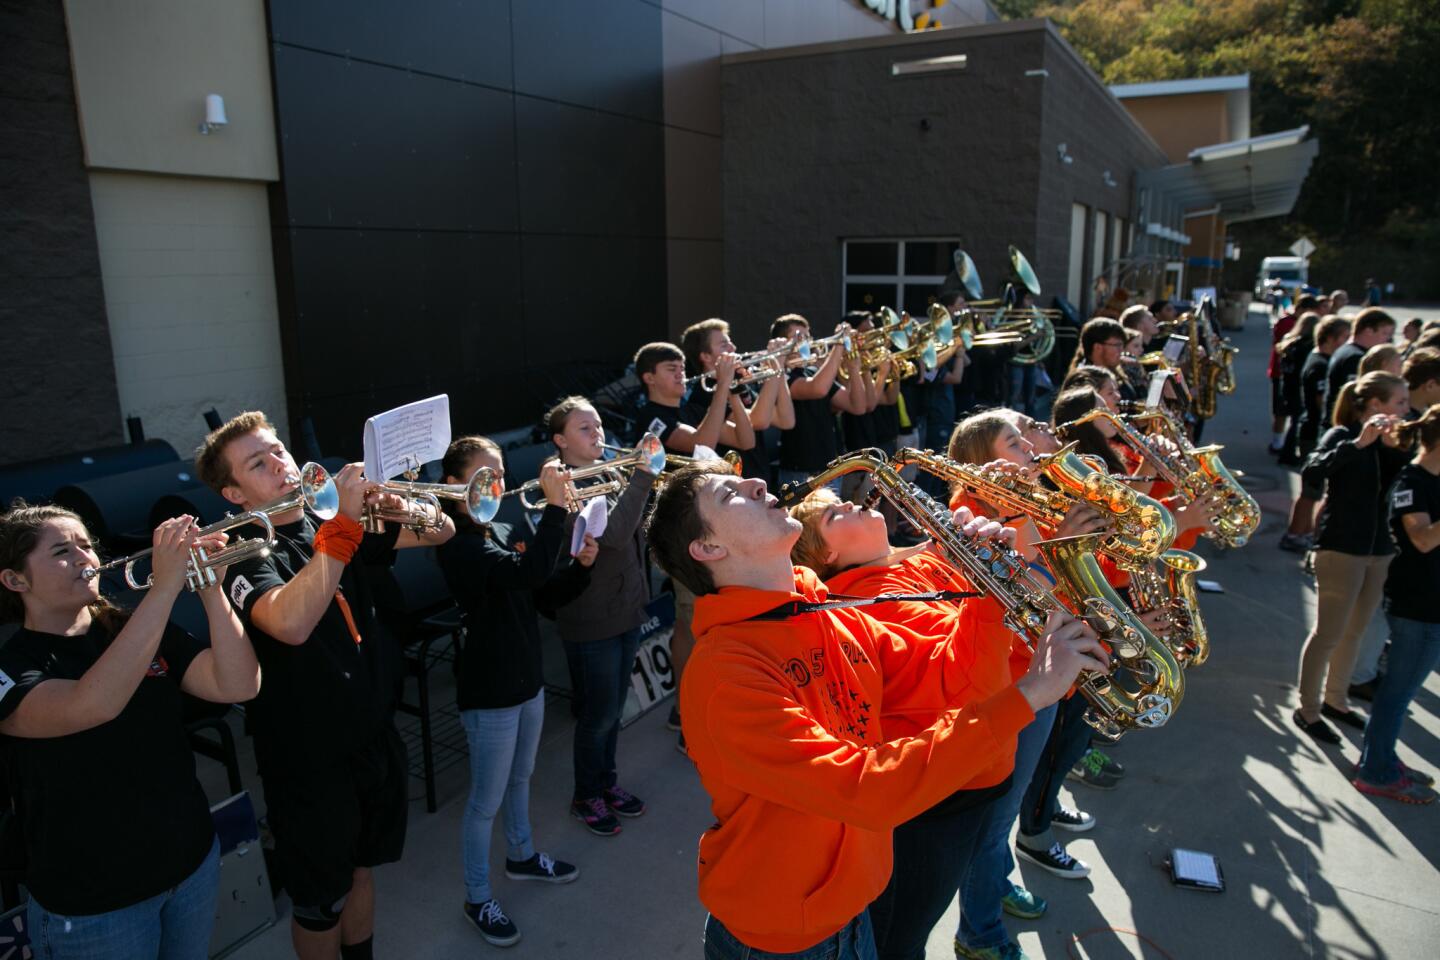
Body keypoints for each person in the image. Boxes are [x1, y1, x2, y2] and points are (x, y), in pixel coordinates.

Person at [644, 461, 1107, 960]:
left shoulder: (820, 613)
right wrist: (1029, 694)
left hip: (850, 910)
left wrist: (988, 587)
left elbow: (950, 681)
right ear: (709, 549)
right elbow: (864, 788)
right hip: (783, 939)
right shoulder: (727, 675)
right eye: (730, 494)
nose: (757, 482)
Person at [195, 411, 454, 960]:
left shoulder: (324, 516)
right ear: (234, 493)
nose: (280, 466)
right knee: (320, 901)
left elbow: (444, 530)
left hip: (371, 734)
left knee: (361, 870)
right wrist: (342, 528)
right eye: (257, 465)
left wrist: (394, 504)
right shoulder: (242, 545)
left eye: (278, 452)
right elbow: (288, 622)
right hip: (308, 759)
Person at [0, 505, 260, 960]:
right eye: (63, 550)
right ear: (16, 580)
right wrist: (163, 588)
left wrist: (211, 591)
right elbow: (93, 703)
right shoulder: (12, 665)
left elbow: (237, 684)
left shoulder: (129, 627)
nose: (85, 557)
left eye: (86, 544)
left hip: (190, 866)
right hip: (95, 905)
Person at [788, 486, 1030, 960]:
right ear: (829, 554)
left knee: (928, 908)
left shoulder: (910, 565)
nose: (854, 503)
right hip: (943, 790)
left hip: (985, 762)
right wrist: (992, 585)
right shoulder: (867, 601)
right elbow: (971, 682)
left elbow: (1012, 645)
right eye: (835, 514)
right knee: (901, 937)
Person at [435, 437, 590, 945]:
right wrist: (557, 511)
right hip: (491, 690)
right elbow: (526, 571)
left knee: (521, 778)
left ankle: (521, 856)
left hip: (527, 679)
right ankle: (477, 897)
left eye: (500, 470)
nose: (497, 482)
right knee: (485, 801)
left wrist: (582, 568)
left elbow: (543, 594)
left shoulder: (502, 526)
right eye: (484, 473)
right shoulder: (456, 540)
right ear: (455, 485)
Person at [543, 396, 659, 836]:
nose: (598, 436)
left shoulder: (609, 472)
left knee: (613, 711)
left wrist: (643, 485)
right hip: (591, 617)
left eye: (598, 427)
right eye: (585, 430)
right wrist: (644, 476)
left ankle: (605, 784)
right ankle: (585, 794)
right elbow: (611, 535)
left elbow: (635, 526)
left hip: (624, 606)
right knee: (598, 714)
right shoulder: (563, 484)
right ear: (560, 441)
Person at [636, 338, 757, 754]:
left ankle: (700, 702)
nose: (681, 374)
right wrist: (722, 384)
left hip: (712, 526)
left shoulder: (688, 408)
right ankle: (687, 714)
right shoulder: (650, 417)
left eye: (682, 367)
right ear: (648, 378)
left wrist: (737, 391)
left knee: (714, 618)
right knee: (691, 622)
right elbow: (702, 449)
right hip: (681, 533)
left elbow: (745, 439)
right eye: (671, 369)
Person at [1292, 373, 1411, 745]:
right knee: (1328, 633)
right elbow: (1313, 470)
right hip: (1341, 549)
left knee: (1356, 632)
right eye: (1400, 402)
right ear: (1375, 405)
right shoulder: (1342, 436)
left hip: (1379, 551)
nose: (1406, 410)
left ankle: (1336, 699)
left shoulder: (1397, 443)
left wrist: (1395, 448)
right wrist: (1360, 444)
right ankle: (1308, 709)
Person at [1352, 405, 1440, 804]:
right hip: (1418, 605)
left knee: (1400, 691)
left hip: (1428, 602)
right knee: (1397, 693)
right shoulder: (1413, 481)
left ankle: (1381, 759)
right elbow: (1422, 539)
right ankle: (1377, 771)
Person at [770, 313, 867, 492]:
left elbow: (857, 406)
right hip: (798, 473)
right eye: (798, 337)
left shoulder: (813, 372)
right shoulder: (780, 376)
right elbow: (817, 389)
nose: (805, 341)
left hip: (829, 470)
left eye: (807, 336)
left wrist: (854, 369)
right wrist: (839, 344)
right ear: (782, 343)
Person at [1279, 315, 1351, 552]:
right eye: (1344, 337)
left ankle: (1300, 533)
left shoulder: (1319, 358)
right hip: (1311, 430)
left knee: (1311, 491)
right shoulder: (1319, 363)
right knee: (1311, 492)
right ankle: (1296, 534)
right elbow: (1320, 401)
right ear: (1331, 338)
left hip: (1308, 428)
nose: (1347, 342)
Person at [1324, 309, 1397, 426]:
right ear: (1368, 331)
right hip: (1347, 425)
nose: (1388, 340)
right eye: (1385, 333)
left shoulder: (1344, 350)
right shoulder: (1356, 357)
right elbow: (1356, 397)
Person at [1268, 295, 1322, 454]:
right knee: (1282, 411)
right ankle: (1278, 443)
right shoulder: (1287, 324)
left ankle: (1280, 443)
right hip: (1282, 374)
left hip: (1286, 375)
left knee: (1287, 410)